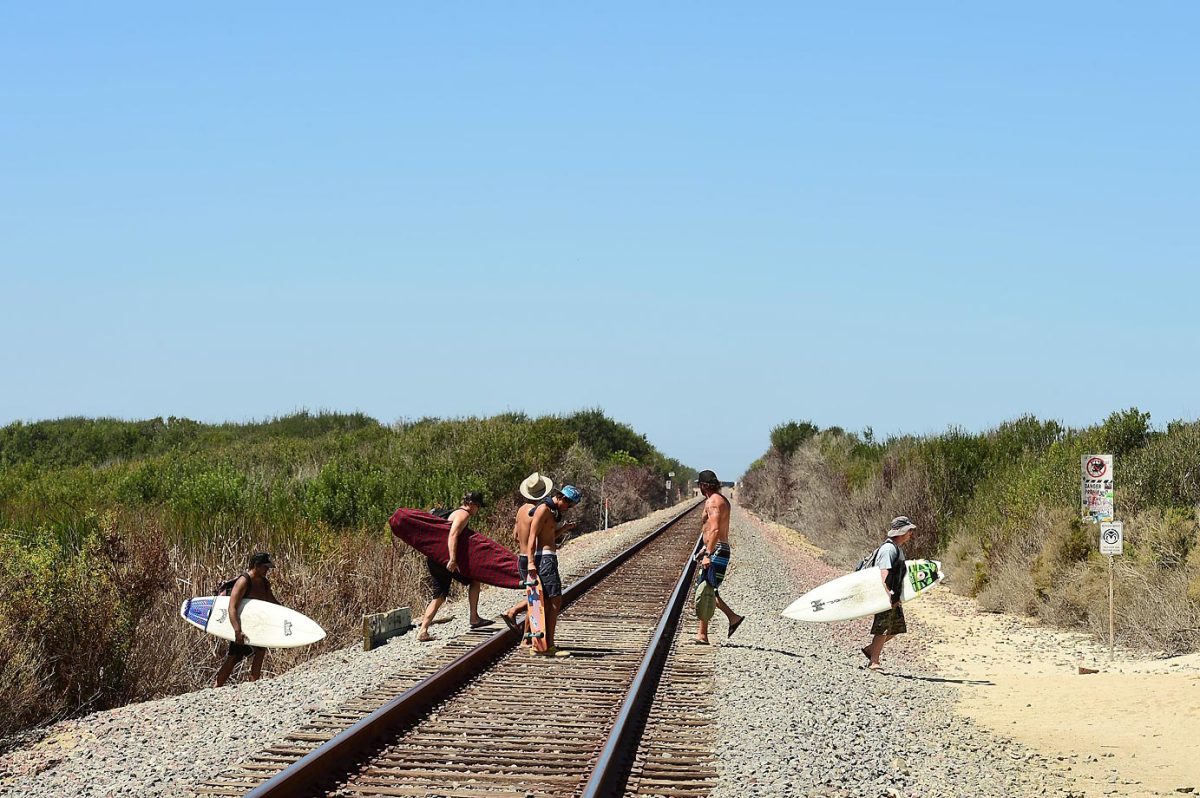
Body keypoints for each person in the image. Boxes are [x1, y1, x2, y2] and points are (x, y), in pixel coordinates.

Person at [416, 491, 493, 642]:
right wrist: (452, 559)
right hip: (446, 560)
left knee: (439, 596)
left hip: (435, 559)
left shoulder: (453, 512)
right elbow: (453, 535)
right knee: (474, 581)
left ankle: (423, 630)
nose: (478, 510)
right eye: (478, 506)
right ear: (471, 504)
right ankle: (474, 618)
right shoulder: (463, 515)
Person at [524, 484, 581, 655]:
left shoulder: (550, 511)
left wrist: (563, 529)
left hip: (548, 558)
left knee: (548, 601)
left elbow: (548, 537)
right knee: (555, 601)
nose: (568, 509)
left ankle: (541, 644)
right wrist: (530, 562)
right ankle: (548, 646)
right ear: (563, 498)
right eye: (569, 505)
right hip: (544, 559)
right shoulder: (543, 509)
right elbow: (532, 537)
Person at [501, 472, 558, 633]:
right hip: (534, 558)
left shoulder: (520, 511)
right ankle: (514, 612)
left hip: (521, 557)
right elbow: (539, 538)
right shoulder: (537, 512)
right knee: (541, 596)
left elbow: (515, 536)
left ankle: (526, 636)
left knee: (535, 595)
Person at [693, 469, 745, 644]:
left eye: (700, 484)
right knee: (707, 589)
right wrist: (704, 548)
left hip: (717, 550)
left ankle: (707, 631)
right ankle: (712, 629)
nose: (699, 487)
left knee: (705, 589)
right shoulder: (718, 500)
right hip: (715, 549)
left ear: (704, 485)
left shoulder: (714, 502)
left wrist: (708, 553)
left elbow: (714, 529)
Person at [214, 552, 280, 687]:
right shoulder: (244, 581)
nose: (267, 570)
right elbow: (232, 607)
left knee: (260, 651)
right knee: (234, 657)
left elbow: (272, 602)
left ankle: (253, 685)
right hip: (240, 624)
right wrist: (237, 631)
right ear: (256, 566)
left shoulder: (264, 583)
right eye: (265, 567)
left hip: (254, 624)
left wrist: (286, 614)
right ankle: (215, 688)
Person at [862, 516, 917, 670]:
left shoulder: (896, 548)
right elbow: (884, 572)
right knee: (884, 627)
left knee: (896, 628)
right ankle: (874, 661)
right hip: (885, 593)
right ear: (901, 532)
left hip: (893, 594)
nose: (911, 533)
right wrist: (889, 594)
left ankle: (870, 650)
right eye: (909, 530)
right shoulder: (888, 549)